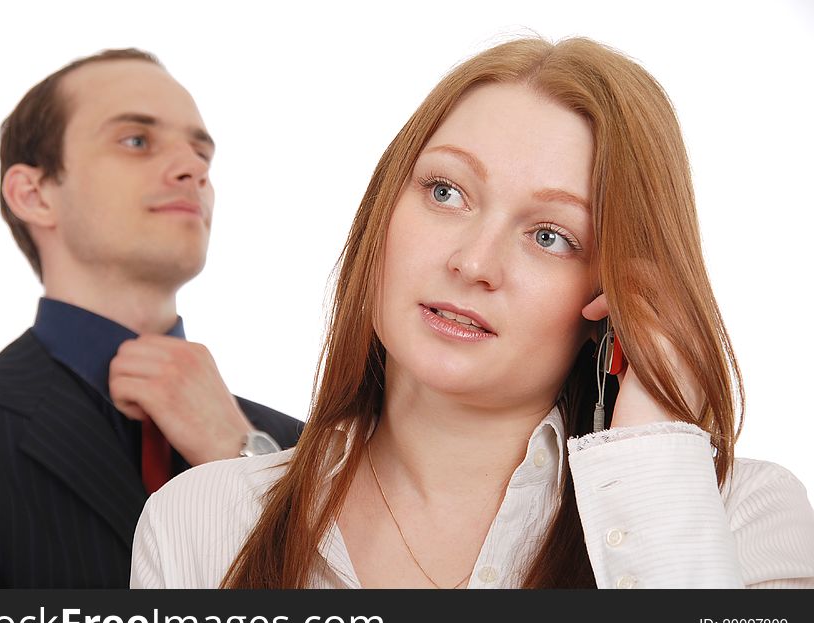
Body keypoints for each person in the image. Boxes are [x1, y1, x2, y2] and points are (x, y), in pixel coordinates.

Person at [130, 37, 814, 589]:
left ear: (616, 298)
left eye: (550, 235)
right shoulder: (199, 523)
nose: (474, 262)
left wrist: (653, 462)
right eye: (446, 191)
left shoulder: (740, 516)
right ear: (384, 210)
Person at [0, 48, 303, 588]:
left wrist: (242, 460)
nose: (193, 169)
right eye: (136, 140)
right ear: (33, 194)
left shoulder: (301, 450)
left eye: (202, 153)